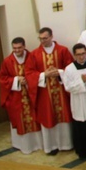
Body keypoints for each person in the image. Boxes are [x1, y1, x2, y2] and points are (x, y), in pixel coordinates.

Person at [29, 27, 74, 155]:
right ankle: (51, 146)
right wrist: (43, 75)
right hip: (45, 93)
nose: (43, 41)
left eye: (45, 38)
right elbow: (29, 73)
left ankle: (66, 144)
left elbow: (70, 67)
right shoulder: (34, 54)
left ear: (51, 36)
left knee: (63, 114)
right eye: (40, 38)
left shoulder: (63, 50)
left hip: (61, 90)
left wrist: (59, 72)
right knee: (48, 116)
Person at [0, 37, 42, 153]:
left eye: (19, 48)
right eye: (14, 48)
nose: (17, 50)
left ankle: (38, 144)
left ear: (24, 46)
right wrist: (16, 80)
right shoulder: (7, 61)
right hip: (17, 97)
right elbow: (2, 79)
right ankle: (24, 146)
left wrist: (29, 79)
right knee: (20, 120)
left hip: (32, 94)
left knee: (35, 117)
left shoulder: (32, 57)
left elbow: (38, 72)